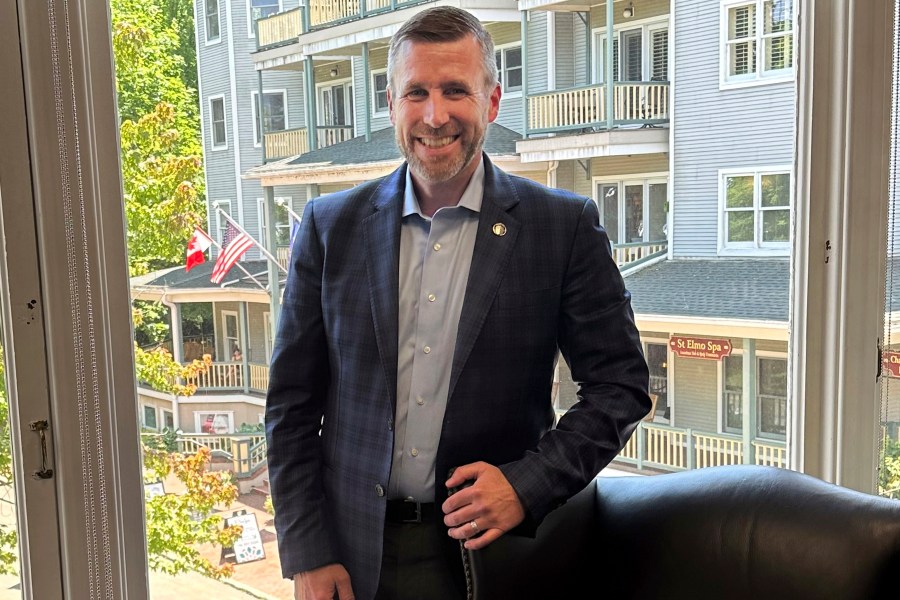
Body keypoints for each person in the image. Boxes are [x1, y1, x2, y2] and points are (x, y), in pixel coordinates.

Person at [265, 7, 651, 600]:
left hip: (488, 561)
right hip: (347, 556)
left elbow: (621, 386)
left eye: (455, 91)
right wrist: (307, 551)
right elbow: (290, 405)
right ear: (391, 103)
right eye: (415, 92)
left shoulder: (562, 228)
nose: (435, 115)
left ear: (491, 103)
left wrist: (528, 484)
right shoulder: (328, 226)